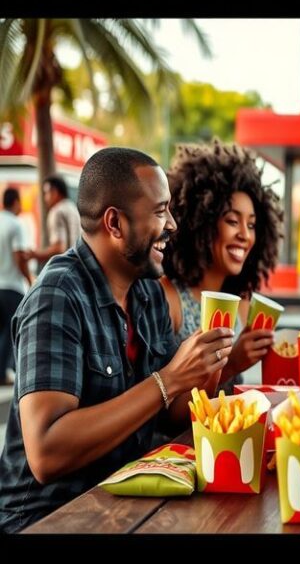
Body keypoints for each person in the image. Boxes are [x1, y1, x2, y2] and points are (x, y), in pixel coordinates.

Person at [0, 147, 234, 533]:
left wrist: (206, 363)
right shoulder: (57, 295)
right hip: (44, 517)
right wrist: (168, 380)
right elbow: (46, 452)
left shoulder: (149, 294)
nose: (172, 224)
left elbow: (170, 413)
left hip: (123, 502)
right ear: (115, 223)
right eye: (160, 211)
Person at [161, 141, 284, 391]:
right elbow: (165, 404)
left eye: (251, 225)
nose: (245, 235)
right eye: (232, 221)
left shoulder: (243, 303)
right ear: (201, 223)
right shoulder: (169, 298)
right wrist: (233, 363)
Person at [0, 188, 32, 385]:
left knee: (1, 330)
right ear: (16, 202)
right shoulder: (16, 224)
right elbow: (19, 256)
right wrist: (30, 279)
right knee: (13, 330)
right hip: (12, 286)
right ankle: (4, 372)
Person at [30, 175, 81, 264]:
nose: (45, 198)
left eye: (46, 193)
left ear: (55, 192)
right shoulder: (72, 208)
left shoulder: (57, 211)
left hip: (65, 266)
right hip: (79, 264)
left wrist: (36, 255)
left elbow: (59, 248)